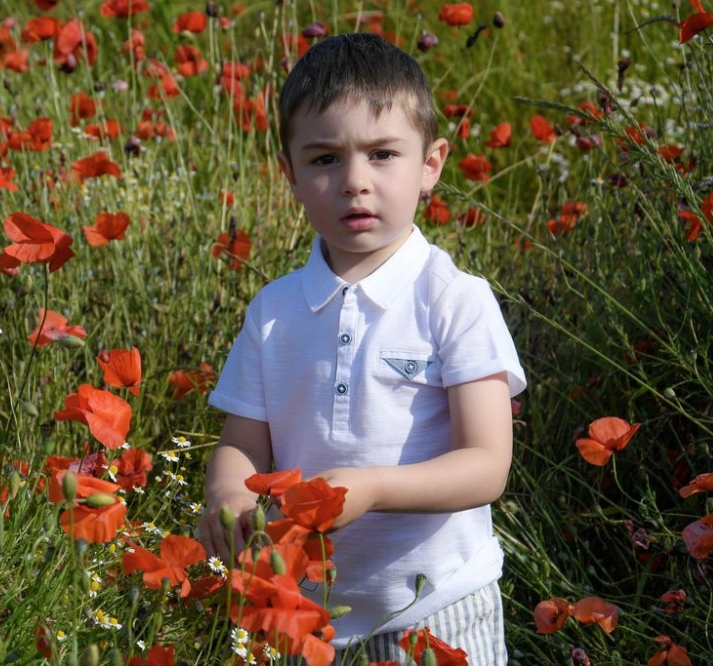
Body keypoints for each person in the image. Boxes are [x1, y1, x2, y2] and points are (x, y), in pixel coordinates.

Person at [198, 32, 526, 665]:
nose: (354, 181)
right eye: (324, 159)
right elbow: (244, 441)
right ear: (290, 174)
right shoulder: (274, 311)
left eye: (382, 154)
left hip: (438, 604)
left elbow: (488, 464)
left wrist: (373, 487)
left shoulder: (453, 298)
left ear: (431, 164)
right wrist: (229, 491)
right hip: (304, 610)